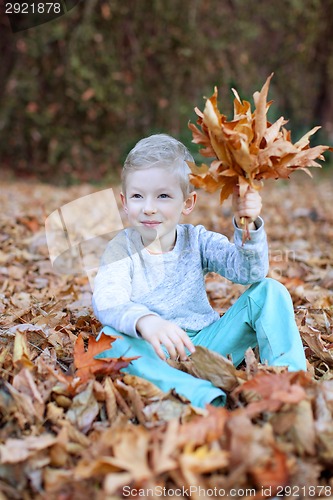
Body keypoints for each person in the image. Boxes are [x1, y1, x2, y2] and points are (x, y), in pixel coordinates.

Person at [92, 134, 306, 408]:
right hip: (154, 350)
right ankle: (201, 395)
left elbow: (248, 273)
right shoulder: (121, 248)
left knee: (270, 291)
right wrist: (147, 321)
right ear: (124, 201)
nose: (148, 208)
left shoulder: (198, 240)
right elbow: (108, 299)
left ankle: (290, 383)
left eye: (163, 196)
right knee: (108, 340)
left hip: (208, 346)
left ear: (188, 203)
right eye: (137, 196)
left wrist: (247, 225)